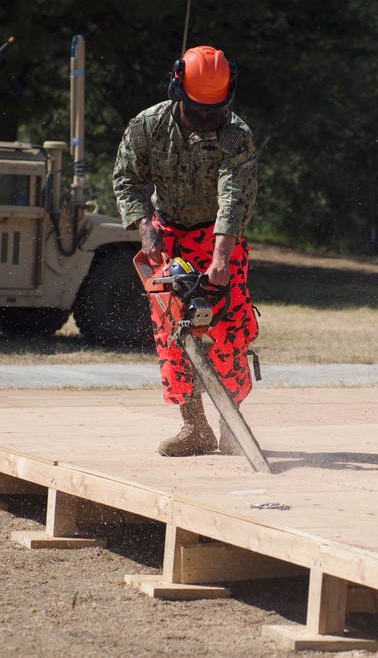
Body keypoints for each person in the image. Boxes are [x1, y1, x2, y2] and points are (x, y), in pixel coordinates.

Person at [113, 45, 259, 457]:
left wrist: (220, 259)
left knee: (229, 328)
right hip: (167, 238)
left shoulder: (236, 135)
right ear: (178, 90)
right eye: (197, 110)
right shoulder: (148, 126)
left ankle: (233, 424)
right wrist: (145, 230)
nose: (205, 118)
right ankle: (195, 426)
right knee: (172, 332)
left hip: (217, 237)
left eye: (214, 110)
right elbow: (126, 178)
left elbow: (234, 198)